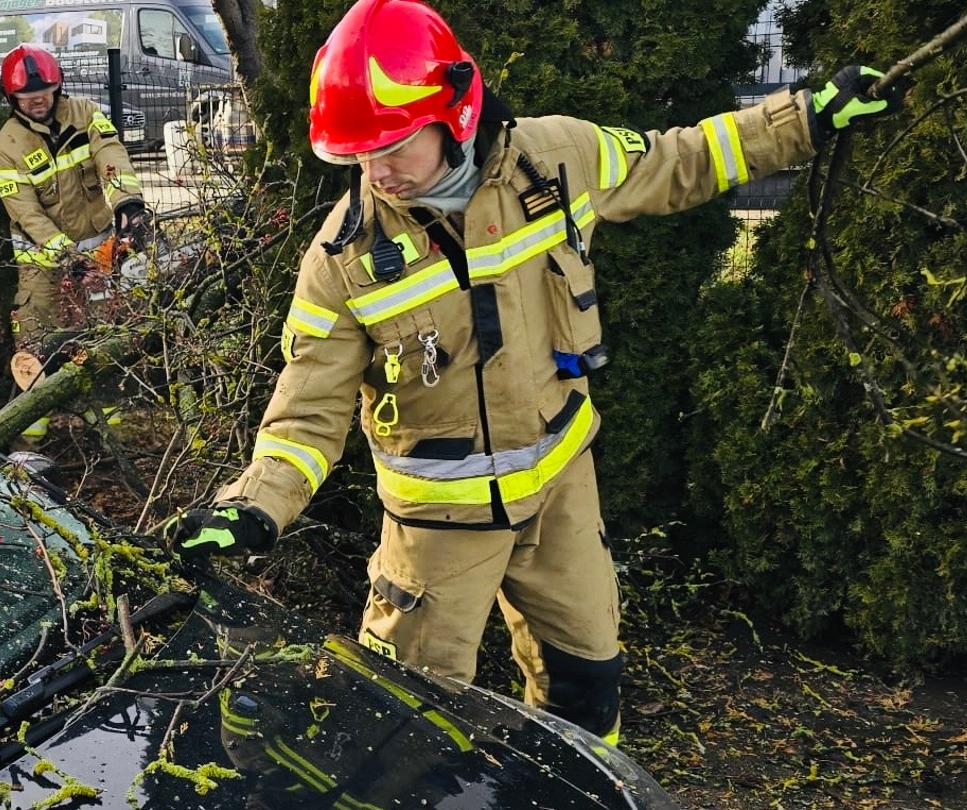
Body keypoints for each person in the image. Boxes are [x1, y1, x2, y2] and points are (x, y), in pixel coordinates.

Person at [167, 0, 905, 745]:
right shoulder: (342, 260)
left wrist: (804, 119)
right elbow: (306, 412)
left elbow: (679, 159)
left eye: (392, 145)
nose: (376, 172)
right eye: (358, 155)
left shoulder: (557, 158)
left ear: (455, 113)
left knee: (586, 689)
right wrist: (254, 505)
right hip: (435, 531)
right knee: (400, 726)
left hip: (560, 497)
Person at [0, 44, 149, 438]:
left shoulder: (86, 114)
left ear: (57, 88)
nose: (37, 101)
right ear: (12, 99)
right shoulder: (6, 147)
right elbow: (26, 213)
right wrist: (67, 257)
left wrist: (128, 204)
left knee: (103, 333)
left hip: (98, 249)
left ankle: (108, 423)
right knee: (35, 338)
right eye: (27, 97)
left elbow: (111, 155)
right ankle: (30, 430)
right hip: (42, 259)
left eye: (44, 93)